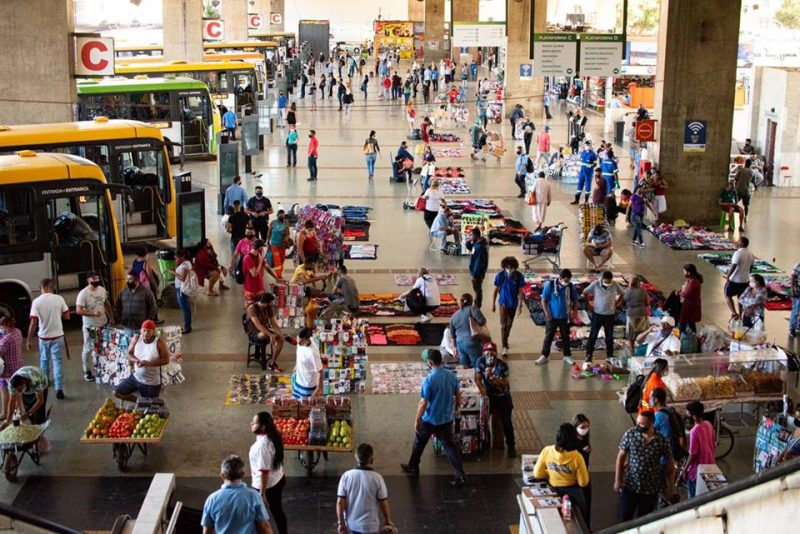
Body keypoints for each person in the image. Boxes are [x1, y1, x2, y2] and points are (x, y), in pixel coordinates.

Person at [400, 349, 466, 487]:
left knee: (419, 441)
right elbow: (458, 395)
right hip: (446, 419)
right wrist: (456, 409)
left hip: (429, 419)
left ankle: (413, 465)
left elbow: (423, 402)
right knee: (449, 447)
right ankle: (460, 475)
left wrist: (417, 420)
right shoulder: (451, 376)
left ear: (430, 363)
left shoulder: (429, 380)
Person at [615, 411, 675, 521]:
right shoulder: (630, 434)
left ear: (651, 424)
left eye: (641, 424)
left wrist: (671, 487)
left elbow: (670, 465)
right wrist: (618, 480)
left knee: (644, 521)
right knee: (625, 519)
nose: (637, 426)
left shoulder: (662, 441)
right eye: (637, 423)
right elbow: (621, 456)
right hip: (631, 486)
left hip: (650, 490)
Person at [202, 455, 273, 534]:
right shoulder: (253, 496)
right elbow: (264, 526)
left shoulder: (212, 499)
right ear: (243, 474)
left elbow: (207, 531)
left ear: (222, 475)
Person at [533, 423, 590, 522]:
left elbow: (537, 474)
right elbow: (583, 482)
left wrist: (549, 471)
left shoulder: (547, 451)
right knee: (582, 516)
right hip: (573, 493)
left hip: (553, 491)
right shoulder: (577, 457)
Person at [337, 443, 394, 534]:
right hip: (371, 527)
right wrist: (388, 520)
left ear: (356, 457)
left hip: (352, 525)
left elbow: (340, 502)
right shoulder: (377, 478)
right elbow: (383, 503)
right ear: (371, 459)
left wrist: (341, 523)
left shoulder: (346, 476)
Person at [27, 279, 69, 399]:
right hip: (58, 336)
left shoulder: (36, 302)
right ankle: (59, 389)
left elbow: (33, 322)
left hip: (43, 337)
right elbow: (67, 316)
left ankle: (44, 384)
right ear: (52, 287)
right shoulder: (59, 299)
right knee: (58, 363)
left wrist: (29, 339)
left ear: (40, 288)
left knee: (44, 361)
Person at [475, 342, 516, 457]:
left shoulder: (502, 365)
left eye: (492, 353)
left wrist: (492, 377)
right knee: (483, 420)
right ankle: (484, 444)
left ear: (496, 354)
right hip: (489, 395)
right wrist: (482, 390)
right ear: (484, 354)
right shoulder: (480, 361)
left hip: (502, 396)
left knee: (507, 422)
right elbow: (477, 378)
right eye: (487, 354)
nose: (490, 356)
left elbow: (504, 383)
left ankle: (511, 446)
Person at [114, 320, 169, 403]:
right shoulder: (136, 339)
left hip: (151, 382)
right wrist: (136, 360)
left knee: (150, 407)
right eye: (144, 330)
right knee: (117, 393)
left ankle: (144, 403)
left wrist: (148, 364)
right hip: (136, 378)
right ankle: (139, 401)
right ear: (140, 330)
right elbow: (129, 353)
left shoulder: (159, 343)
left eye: (149, 331)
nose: (146, 333)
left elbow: (166, 360)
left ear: (153, 332)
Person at [250, 412, 287, 534]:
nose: (251, 424)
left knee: (259, 517)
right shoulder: (273, 436)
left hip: (268, 486)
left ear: (263, 427)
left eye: (254, 423)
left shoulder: (261, 446)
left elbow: (264, 472)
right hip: (278, 479)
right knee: (278, 512)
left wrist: (262, 493)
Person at [535, 269, 580, 366]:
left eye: (568, 280)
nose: (566, 282)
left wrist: (574, 313)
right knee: (549, 337)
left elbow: (575, 301)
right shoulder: (550, 285)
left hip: (565, 317)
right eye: (565, 280)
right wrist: (547, 313)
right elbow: (544, 300)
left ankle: (567, 356)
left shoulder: (570, 287)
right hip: (552, 317)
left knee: (565, 337)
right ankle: (544, 355)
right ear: (560, 278)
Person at [75, 270, 112, 382]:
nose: (95, 281)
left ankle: (102, 368)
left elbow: (106, 303)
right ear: (88, 280)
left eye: (97, 278)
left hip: (103, 323)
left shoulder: (102, 290)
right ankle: (86, 371)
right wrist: (93, 314)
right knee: (88, 348)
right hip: (90, 326)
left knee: (103, 347)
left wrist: (111, 317)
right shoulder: (83, 294)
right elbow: (78, 310)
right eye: (93, 279)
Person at [582, 271, 625, 367]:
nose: (608, 283)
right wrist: (588, 304)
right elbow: (585, 292)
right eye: (606, 282)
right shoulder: (596, 284)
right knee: (593, 335)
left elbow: (623, 293)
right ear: (602, 279)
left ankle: (609, 355)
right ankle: (589, 355)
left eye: (609, 282)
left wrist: (618, 303)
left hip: (610, 314)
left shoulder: (615, 284)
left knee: (609, 336)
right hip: (597, 313)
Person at [492, 256, 526, 356]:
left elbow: (520, 291)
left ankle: (505, 339)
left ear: (515, 267)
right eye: (507, 267)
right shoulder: (500, 276)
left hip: (513, 304)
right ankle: (504, 346)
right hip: (503, 303)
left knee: (509, 325)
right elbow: (496, 290)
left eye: (512, 267)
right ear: (504, 267)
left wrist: (520, 305)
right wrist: (493, 304)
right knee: (503, 325)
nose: (509, 269)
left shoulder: (519, 276)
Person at [682, 401, 716, 498]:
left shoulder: (694, 431)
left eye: (688, 415)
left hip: (697, 471)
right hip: (710, 466)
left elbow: (693, 454)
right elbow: (713, 444)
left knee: (694, 498)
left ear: (694, 417)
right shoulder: (708, 424)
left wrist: (685, 469)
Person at [246, 293, 285, 371]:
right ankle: (271, 338)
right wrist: (271, 335)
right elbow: (258, 325)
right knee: (264, 334)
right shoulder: (252, 308)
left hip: (266, 330)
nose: (270, 304)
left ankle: (272, 362)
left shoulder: (268, 307)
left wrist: (279, 333)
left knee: (281, 339)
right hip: (254, 333)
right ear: (266, 302)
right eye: (270, 303)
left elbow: (273, 323)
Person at [449, 294, 487, 368]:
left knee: (466, 368)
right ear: (471, 301)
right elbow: (482, 321)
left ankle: (469, 379)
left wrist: (454, 347)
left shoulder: (454, 315)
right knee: (478, 367)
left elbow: (452, 335)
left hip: (460, 345)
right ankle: (477, 378)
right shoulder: (473, 309)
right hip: (472, 342)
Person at [243, 240, 282, 309]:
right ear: (260, 248)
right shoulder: (248, 258)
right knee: (251, 310)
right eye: (264, 248)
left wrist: (276, 277)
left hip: (260, 288)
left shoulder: (259, 256)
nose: (265, 250)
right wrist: (260, 260)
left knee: (261, 309)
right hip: (250, 290)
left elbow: (267, 267)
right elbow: (254, 273)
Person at [724, 237, 755, 320]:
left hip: (735, 280)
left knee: (727, 295)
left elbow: (733, 266)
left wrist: (728, 277)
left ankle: (734, 313)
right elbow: (751, 268)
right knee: (740, 298)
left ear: (741, 244)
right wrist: (745, 273)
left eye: (738, 241)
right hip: (745, 280)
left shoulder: (738, 253)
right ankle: (740, 315)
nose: (736, 242)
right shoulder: (750, 254)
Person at [0, 315, 24, 420]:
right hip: (17, 367)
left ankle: (15, 414)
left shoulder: (6, 339)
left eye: (2, 326)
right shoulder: (18, 332)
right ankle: (11, 412)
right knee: (12, 391)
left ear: (5, 325)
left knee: (12, 393)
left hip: (7, 371)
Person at [290, 327, 323, 399]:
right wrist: (296, 368)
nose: (298, 342)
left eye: (300, 340)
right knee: (296, 404)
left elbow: (319, 371)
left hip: (307, 384)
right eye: (297, 338)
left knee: (305, 407)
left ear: (307, 339)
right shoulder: (301, 343)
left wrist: (318, 388)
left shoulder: (313, 352)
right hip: (298, 379)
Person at [572, 414, 592, 524]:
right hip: (576, 478)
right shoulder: (573, 443)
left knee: (586, 504)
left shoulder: (585, 439)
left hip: (585, 476)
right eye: (582, 427)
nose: (585, 429)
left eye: (587, 427)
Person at [624, 275, 651, 354]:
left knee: (631, 334)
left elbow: (624, 302)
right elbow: (647, 303)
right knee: (643, 332)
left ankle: (632, 350)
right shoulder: (643, 291)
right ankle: (642, 348)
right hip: (642, 313)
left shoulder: (627, 291)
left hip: (631, 314)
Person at [170, 249, 194, 334]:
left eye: (176, 258)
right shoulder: (188, 263)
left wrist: (173, 272)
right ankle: (188, 325)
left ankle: (187, 327)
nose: (175, 260)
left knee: (185, 309)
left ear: (182, 257)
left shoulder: (184, 266)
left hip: (181, 289)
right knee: (186, 308)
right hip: (183, 288)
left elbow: (183, 278)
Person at [466, 227, 489, 308]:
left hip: (477, 272)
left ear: (476, 235)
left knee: (478, 289)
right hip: (475, 271)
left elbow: (479, 263)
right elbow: (471, 248)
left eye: (471, 235)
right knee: (476, 289)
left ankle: (478, 305)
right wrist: (469, 242)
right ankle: (477, 302)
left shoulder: (480, 247)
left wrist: (475, 275)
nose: (470, 236)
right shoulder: (476, 244)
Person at [679, 264, 703, 334]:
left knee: (683, 322)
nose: (684, 274)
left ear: (688, 272)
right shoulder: (692, 280)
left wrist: (679, 293)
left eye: (684, 272)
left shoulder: (693, 282)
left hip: (690, 306)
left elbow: (686, 294)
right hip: (692, 304)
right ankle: (693, 335)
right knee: (690, 321)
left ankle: (682, 336)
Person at [267, 210, 290, 278]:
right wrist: (268, 242)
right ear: (277, 216)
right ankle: (279, 276)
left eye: (283, 215)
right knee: (277, 261)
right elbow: (269, 233)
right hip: (274, 245)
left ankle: (279, 272)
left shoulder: (286, 222)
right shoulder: (273, 223)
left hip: (282, 245)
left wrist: (286, 238)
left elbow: (287, 233)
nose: (282, 217)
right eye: (280, 215)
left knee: (282, 260)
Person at [791, 260, 800, 337]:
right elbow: (793, 277)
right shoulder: (798, 264)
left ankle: (798, 327)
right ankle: (792, 329)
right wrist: (792, 290)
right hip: (798, 291)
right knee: (796, 311)